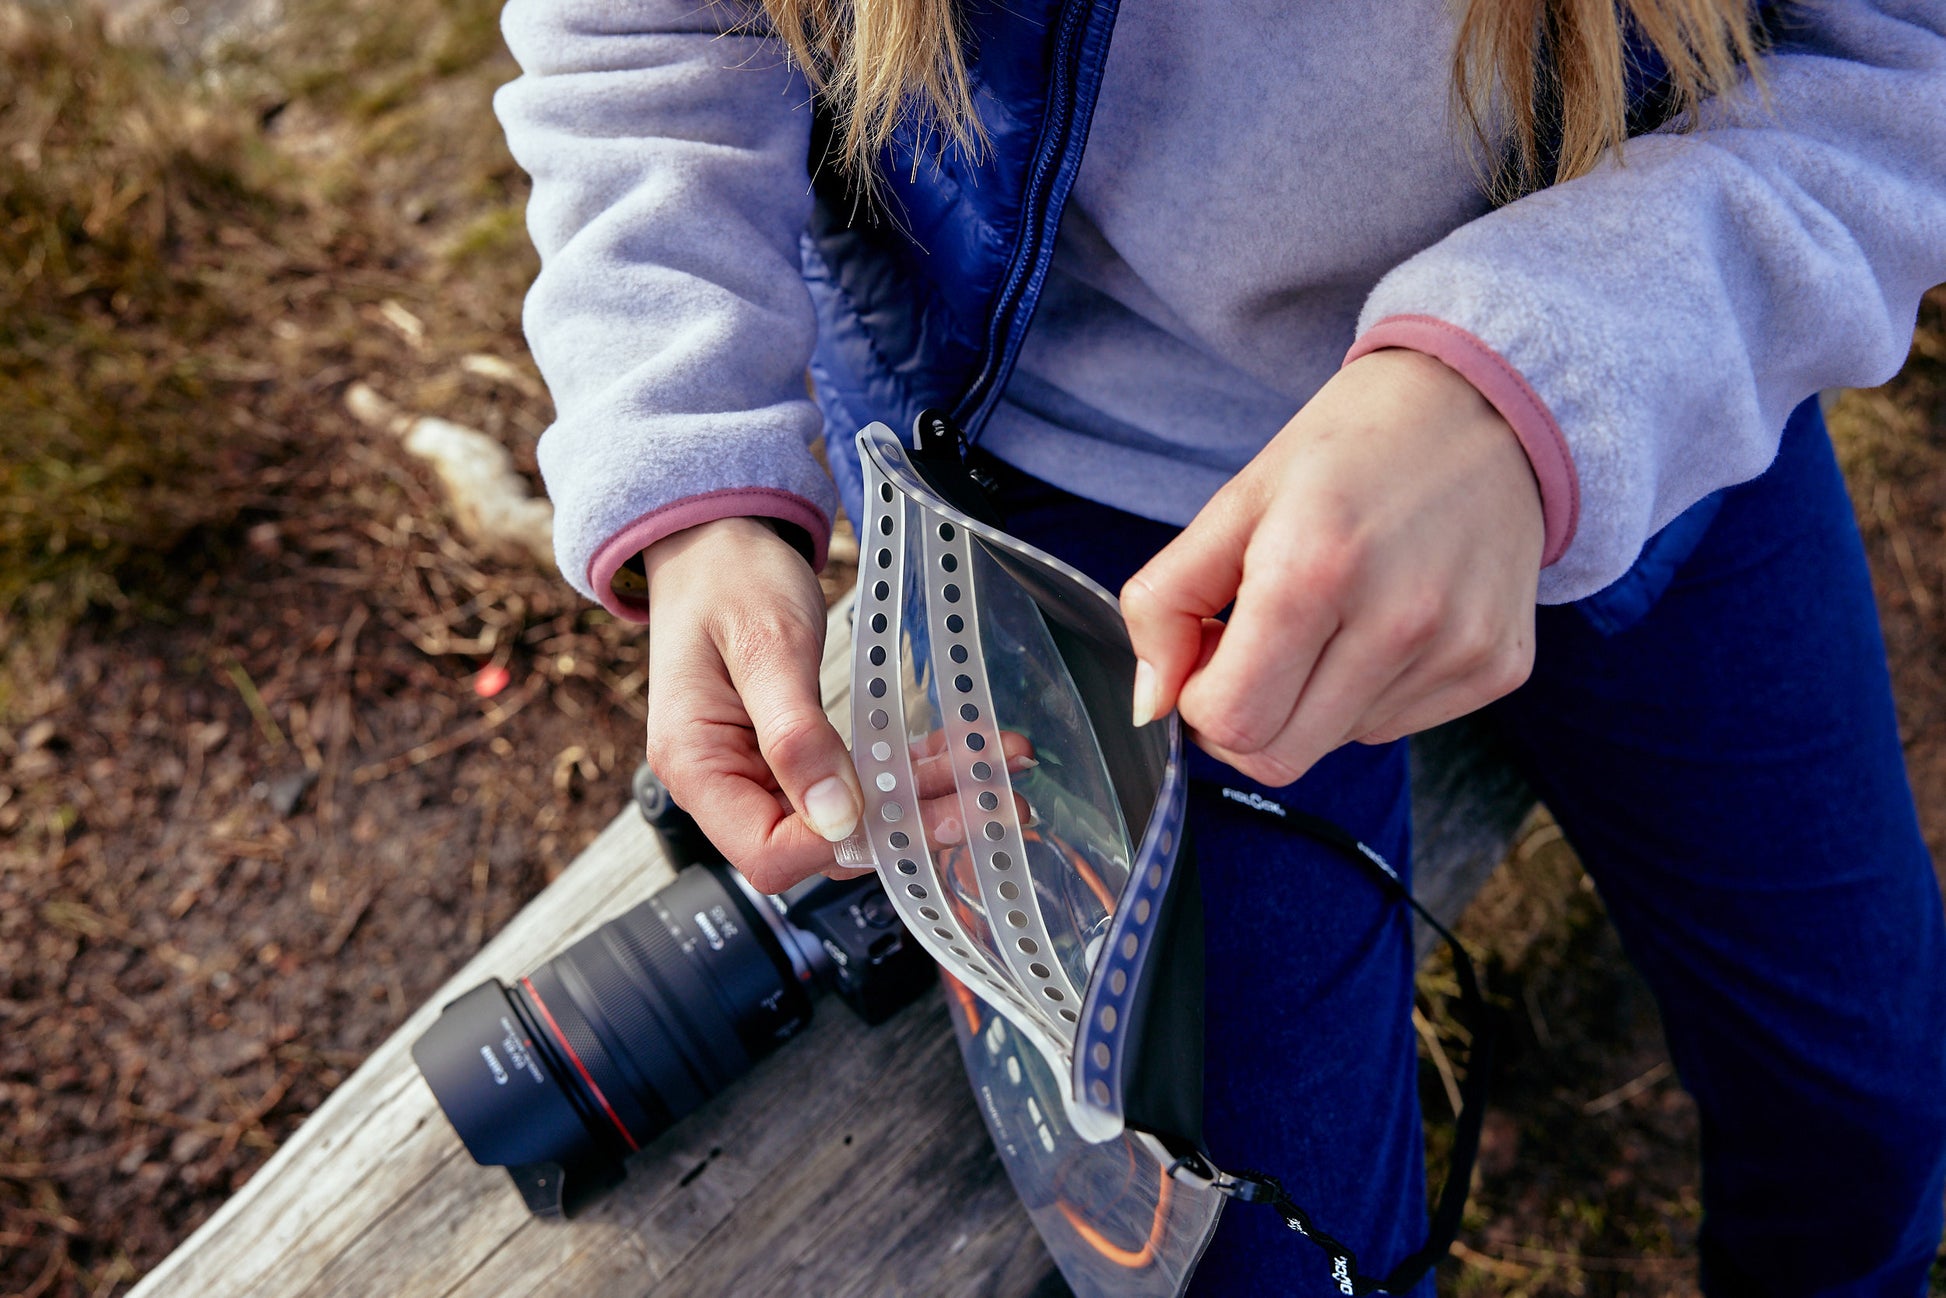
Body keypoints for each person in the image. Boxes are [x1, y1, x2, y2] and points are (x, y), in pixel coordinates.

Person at [491, 0, 1946, 1290]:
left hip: (1650, 367)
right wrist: (693, 482)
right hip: (1089, 493)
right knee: (1259, 1251)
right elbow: (649, 33)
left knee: (1870, 1093)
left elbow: (1900, 62)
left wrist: (1530, 388)